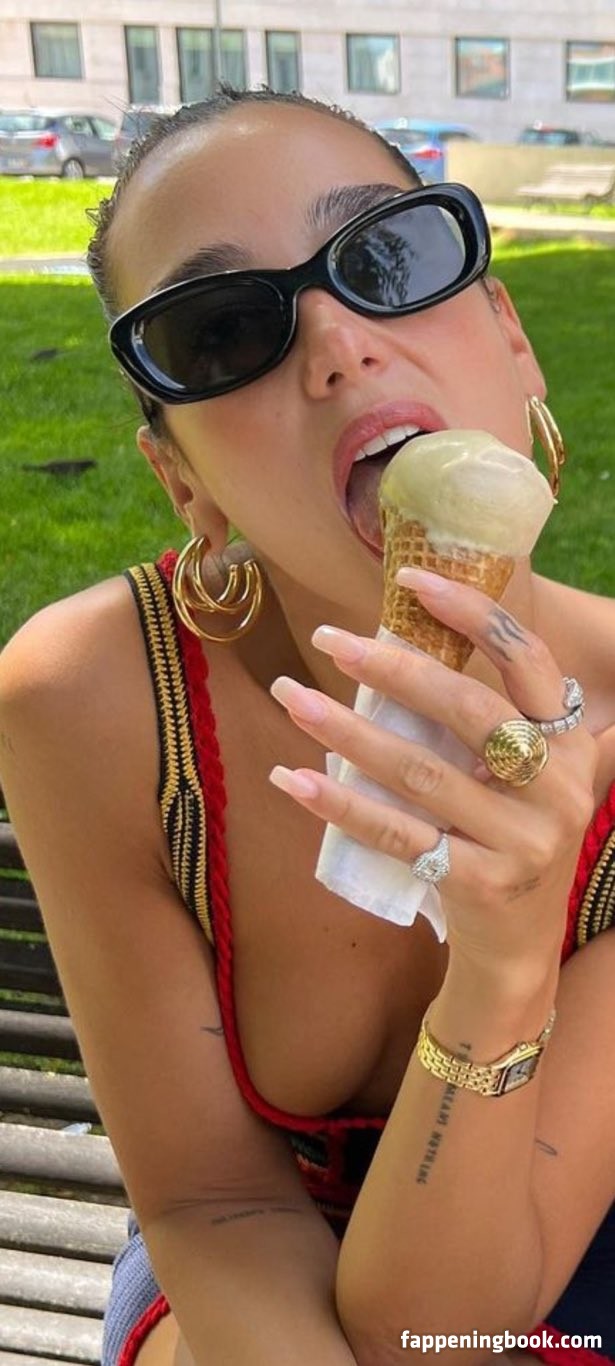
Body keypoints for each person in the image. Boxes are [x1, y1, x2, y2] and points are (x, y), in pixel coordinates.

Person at [0, 88, 613, 1366]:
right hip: (235, 1251)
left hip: (554, 1246)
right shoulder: (94, 701)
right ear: (184, 480)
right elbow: (211, 1202)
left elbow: (432, 1324)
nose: (337, 342)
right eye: (223, 328)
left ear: (512, 341)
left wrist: (504, 972)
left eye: (388, 256)